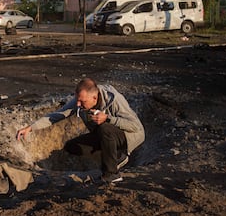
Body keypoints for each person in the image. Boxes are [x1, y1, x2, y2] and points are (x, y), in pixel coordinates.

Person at [16, 77, 145, 183]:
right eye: (77, 100)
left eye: (82, 102)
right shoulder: (81, 101)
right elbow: (57, 115)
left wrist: (108, 118)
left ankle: (112, 174)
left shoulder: (114, 99)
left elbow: (135, 127)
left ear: (94, 98)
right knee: (72, 146)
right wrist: (31, 127)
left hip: (130, 136)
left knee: (104, 128)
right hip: (106, 135)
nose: (78, 105)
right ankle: (114, 159)